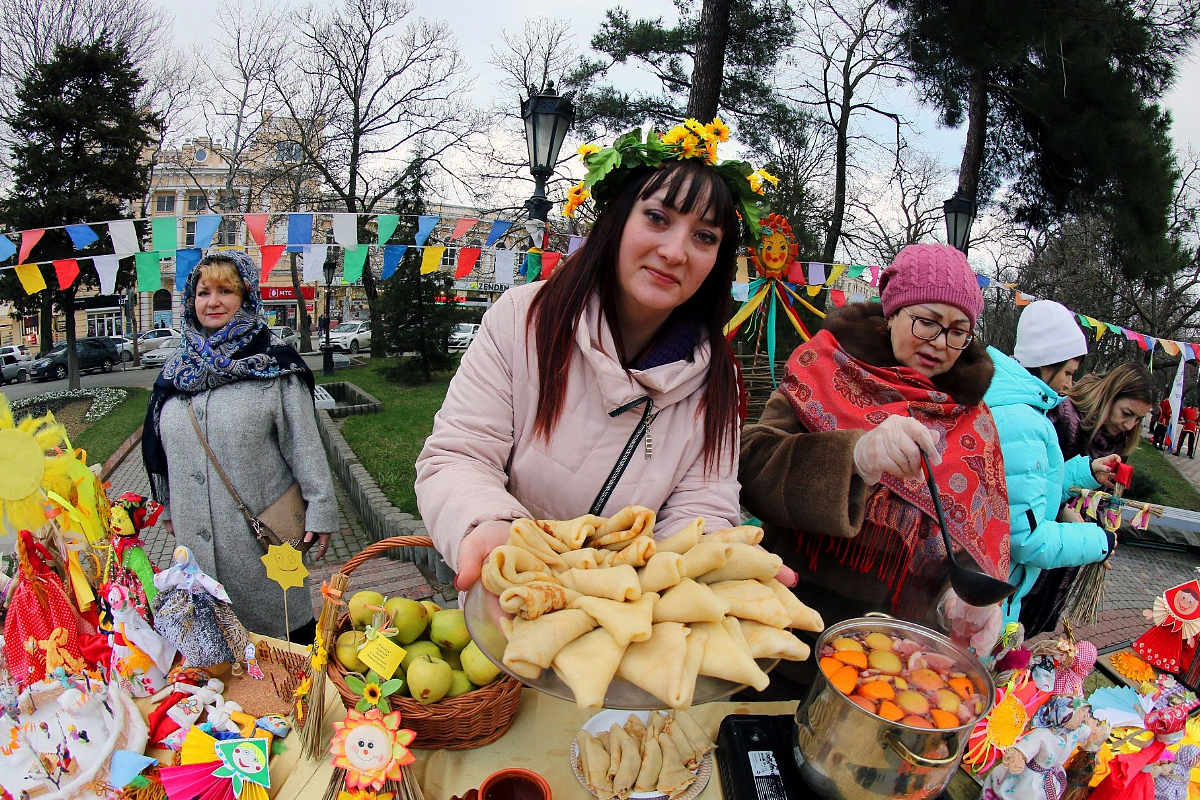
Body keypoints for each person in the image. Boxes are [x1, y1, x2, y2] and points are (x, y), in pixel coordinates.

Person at [415, 120, 792, 590]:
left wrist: (715, 566)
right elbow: (460, 455)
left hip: (631, 624)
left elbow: (702, 508)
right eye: (657, 218)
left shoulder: (716, 379)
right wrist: (492, 527)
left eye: (705, 237)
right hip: (508, 594)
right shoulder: (523, 319)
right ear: (616, 220)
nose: (675, 251)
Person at [740, 243, 1010, 670]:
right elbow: (752, 468)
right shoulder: (825, 366)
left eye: (958, 331)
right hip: (784, 621)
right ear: (892, 312)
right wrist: (854, 459)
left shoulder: (972, 419)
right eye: (927, 323)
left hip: (892, 653)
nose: (941, 343)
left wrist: (962, 601)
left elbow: (970, 529)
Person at [141, 251, 337, 641]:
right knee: (216, 667)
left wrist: (322, 511)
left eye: (225, 291)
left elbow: (305, 447)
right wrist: (166, 503)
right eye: (202, 292)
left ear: (246, 297)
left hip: (262, 544)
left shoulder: (276, 367)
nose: (212, 301)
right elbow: (159, 448)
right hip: (195, 549)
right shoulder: (175, 373)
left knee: (284, 656)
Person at [983, 300, 1116, 626]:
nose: (1070, 384)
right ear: (1046, 365)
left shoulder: (1014, 404)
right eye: (1068, 372)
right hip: (990, 593)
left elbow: (1021, 484)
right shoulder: (1022, 421)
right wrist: (1100, 541)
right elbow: (1025, 539)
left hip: (991, 583)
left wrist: (1084, 472)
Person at [1022, 361, 1154, 635]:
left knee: (1032, 623)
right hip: (1036, 535)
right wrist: (1061, 511)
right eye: (1126, 413)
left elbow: (1105, 499)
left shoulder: (1118, 440)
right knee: (1012, 613)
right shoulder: (1065, 417)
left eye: (1138, 419)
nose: (1129, 425)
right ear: (1110, 395)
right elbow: (1034, 479)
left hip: (1072, 543)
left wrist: (1102, 537)